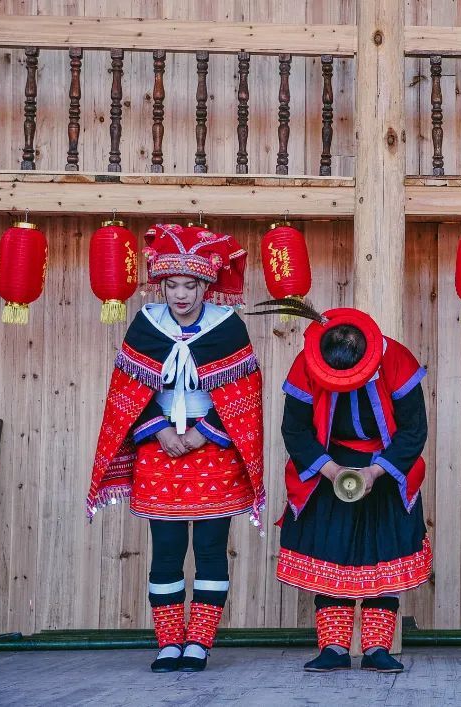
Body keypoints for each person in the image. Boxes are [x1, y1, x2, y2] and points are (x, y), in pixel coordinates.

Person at [86, 223, 264, 673]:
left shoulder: (228, 327)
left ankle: (199, 642)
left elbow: (244, 395)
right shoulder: (148, 324)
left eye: (190, 285)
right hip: (159, 446)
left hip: (214, 448)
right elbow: (128, 389)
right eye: (171, 285)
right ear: (160, 285)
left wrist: (204, 433)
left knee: (210, 547)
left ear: (206, 285)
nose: (180, 294)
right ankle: (169, 642)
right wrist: (160, 431)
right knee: (165, 547)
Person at [262, 301, 431, 674]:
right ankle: (334, 648)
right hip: (328, 465)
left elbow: (414, 430)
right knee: (331, 553)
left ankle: (377, 648)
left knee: (383, 555)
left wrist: (375, 472)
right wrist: (332, 470)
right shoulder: (306, 362)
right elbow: (295, 430)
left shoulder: (397, 359)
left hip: (384, 466)